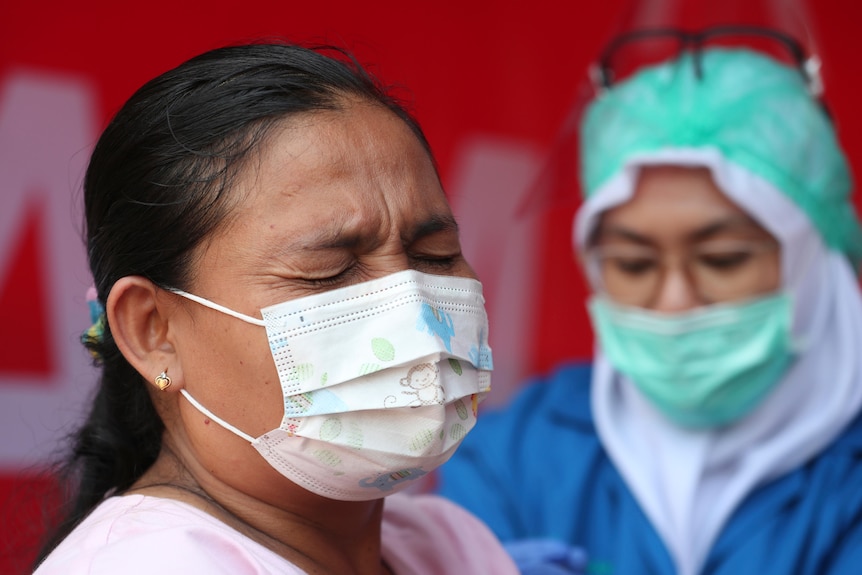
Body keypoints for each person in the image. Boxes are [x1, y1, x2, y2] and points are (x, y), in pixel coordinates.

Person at [32, 41, 518, 575]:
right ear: (153, 332)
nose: (415, 311)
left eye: (435, 256)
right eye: (329, 271)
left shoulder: (449, 546)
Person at [436, 27, 862, 575]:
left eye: (723, 259)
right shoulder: (518, 454)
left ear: (815, 263)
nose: (675, 300)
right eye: (634, 265)